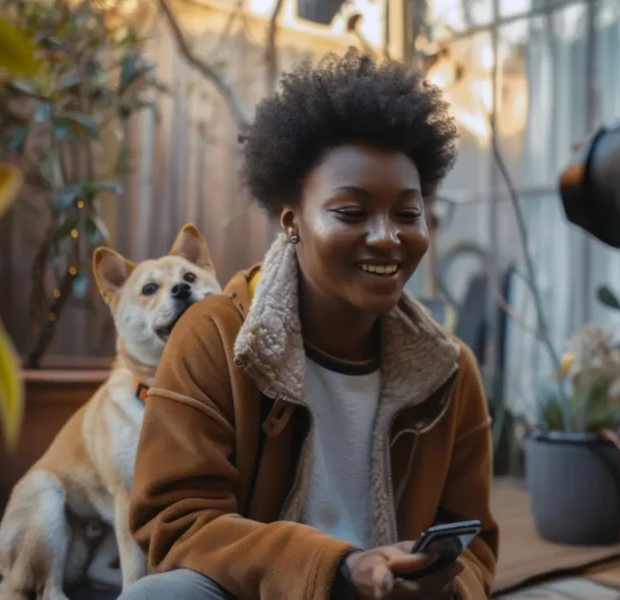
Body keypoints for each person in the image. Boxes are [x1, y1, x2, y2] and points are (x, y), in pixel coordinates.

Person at [121, 49, 499, 600]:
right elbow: (176, 521)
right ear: (292, 222)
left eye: (407, 213)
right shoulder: (216, 338)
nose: (387, 236)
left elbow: (477, 542)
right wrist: (338, 569)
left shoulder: (449, 370)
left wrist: (441, 585)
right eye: (351, 212)